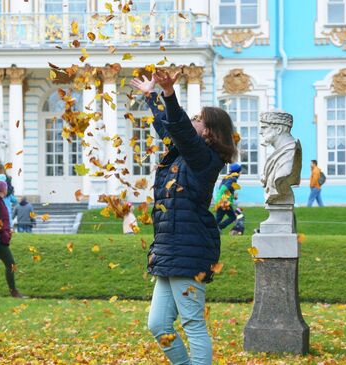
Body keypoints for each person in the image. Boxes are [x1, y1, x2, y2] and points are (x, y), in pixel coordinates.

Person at [131, 69, 237, 365]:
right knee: (158, 325)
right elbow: (171, 129)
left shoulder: (204, 158)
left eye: (198, 118)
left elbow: (180, 129)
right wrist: (153, 96)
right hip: (170, 249)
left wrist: (169, 93)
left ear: (208, 132)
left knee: (192, 323)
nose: (192, 119)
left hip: (188, 249)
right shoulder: (182, 152)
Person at [0, 180, 27, 299]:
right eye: (6, 187)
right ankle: (13, 292)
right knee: (11, 264)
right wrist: (2, 230)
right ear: (3, 189)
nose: (7, 189)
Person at [214, 163, 241, 231]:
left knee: (218, 218)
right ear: (238, 171)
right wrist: (225, 199)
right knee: (233, 217)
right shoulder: (233, 179)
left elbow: (223, 189)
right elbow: (224, 188)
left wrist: (232, 196)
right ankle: (219, 227)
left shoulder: (227, 177)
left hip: (220, 201)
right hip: (224, 202)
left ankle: (211, 229)